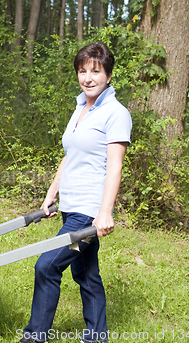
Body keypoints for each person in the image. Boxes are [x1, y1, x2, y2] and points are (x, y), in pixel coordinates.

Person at [18, 42, 132, 343]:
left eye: (95, 71)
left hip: (88, 211)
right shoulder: (81, 106)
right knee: (85, 273)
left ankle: (34, 336)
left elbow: (115, 166)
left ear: (108, 74)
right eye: (82, 71)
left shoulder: (116, 113)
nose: (88, 77)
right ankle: (96, 336)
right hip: (72, 205)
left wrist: (105, 212)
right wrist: (52, 192)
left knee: (46, 265)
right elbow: (70, 155)